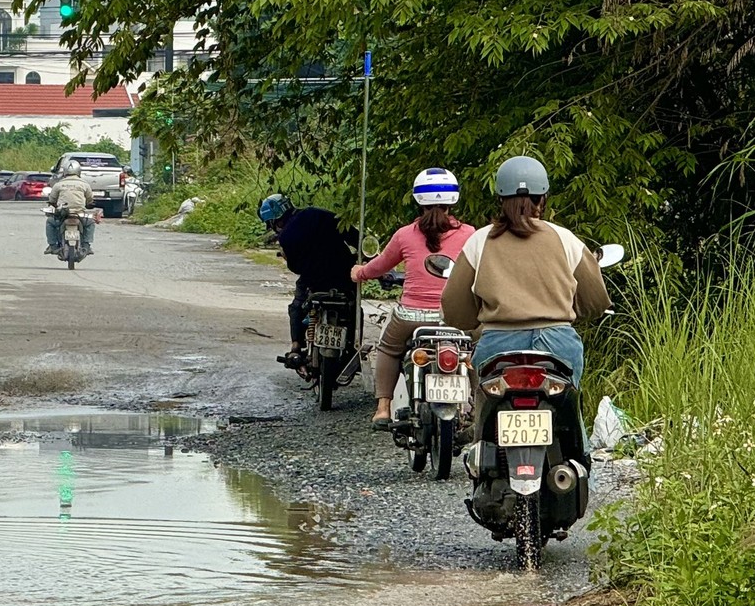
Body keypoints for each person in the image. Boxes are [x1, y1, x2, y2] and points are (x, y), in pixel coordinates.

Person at [441, 156, 609, 386]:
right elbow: (596, 301)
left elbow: (455, 306)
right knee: (567, 414)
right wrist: (566, 312)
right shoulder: (564, 238)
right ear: (543, 199)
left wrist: (473, 321)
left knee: (486, 415)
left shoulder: (480, 241)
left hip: (497, 347)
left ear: (500, 199)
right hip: (557, 343)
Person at [350, 168, 475, 430]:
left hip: (411, 316)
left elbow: (380, 266)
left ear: (418, 200)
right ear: (454, 199)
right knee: (474, 350)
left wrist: (360, 273)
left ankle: (383, 408)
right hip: (455, 317)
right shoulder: (470, 235)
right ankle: (475, 402)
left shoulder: (405, 234)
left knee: (388, 348)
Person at [260, 192, 357, 369]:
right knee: (354, 307)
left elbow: (296, 268)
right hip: (344, 278)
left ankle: (296, 346)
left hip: (314, 282)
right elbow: (353, 235)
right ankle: (352, 345)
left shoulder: (286, 237)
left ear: (275, 221)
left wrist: (287, 257)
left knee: (297, 307)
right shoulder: (319, 214)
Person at [45, 159, 97, 255]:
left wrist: (53, 204)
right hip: (79, 213)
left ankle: (53, 246)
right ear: (79, 172)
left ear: (64, 172)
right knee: (90, 223)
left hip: (63, 213)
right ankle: (86, 246)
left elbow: (52, 200)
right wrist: (89, 204)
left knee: (50, 222)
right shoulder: (85, 184)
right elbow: (90, 199)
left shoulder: (58, 184)